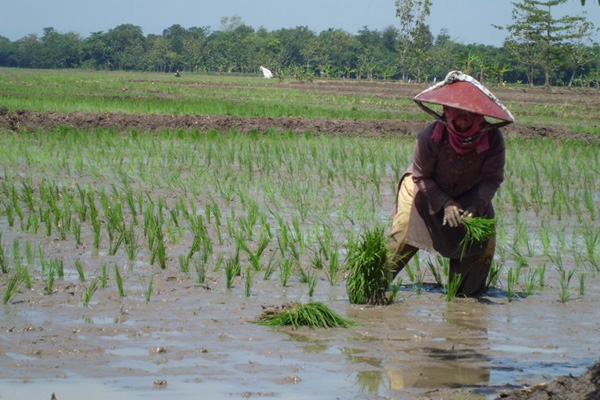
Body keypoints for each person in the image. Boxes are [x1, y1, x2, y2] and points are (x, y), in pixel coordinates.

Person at [388, 70, 515, 296]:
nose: (464, 119)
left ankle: (465, 297)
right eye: (458, 113)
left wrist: (477, 205)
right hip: (423, 187)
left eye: (470, 114)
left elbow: (491, 179)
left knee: (482, 245)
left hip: (471, 192)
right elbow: (421, 175)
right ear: (447, 112)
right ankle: (374, 281)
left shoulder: (493, 140)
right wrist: (445, 202)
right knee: (403, 233)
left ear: (480, 117)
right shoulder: (431, 137)